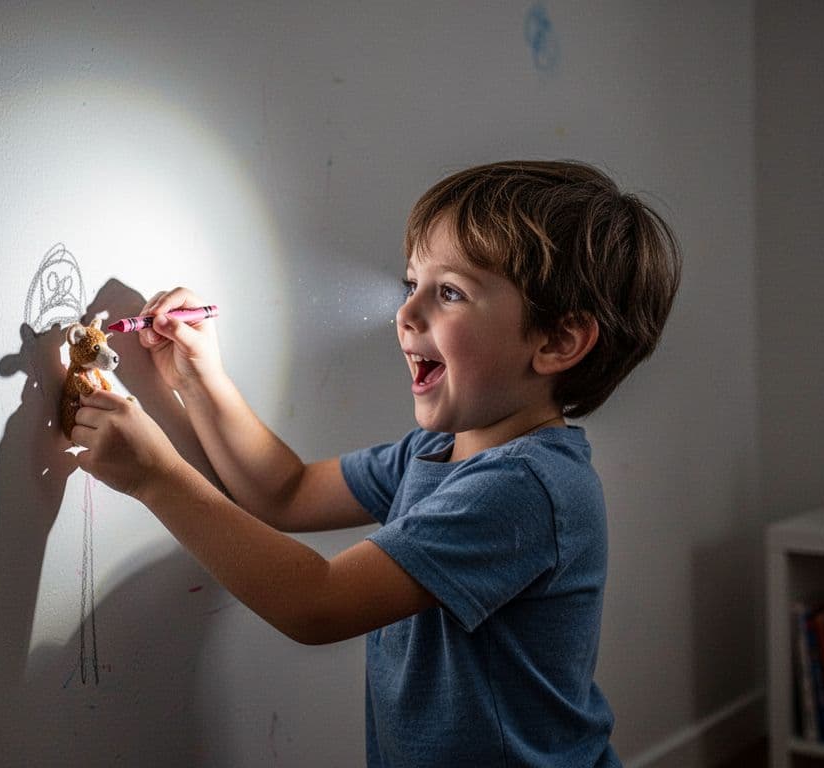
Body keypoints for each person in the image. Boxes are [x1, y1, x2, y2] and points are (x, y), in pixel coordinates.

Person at [68, 160, 681, 767]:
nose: (406, 315)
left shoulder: (526, 489)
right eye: (410, 284)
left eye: (448, 293)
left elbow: (318, 603)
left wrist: (155, 475)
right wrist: (201, 380)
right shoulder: (437, 452)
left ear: (557, 342)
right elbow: (286, 492)